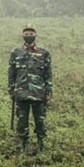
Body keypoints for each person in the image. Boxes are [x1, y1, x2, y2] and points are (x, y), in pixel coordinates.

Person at [8, 25, 53, 154]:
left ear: (35, 35)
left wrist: (48, 91)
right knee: (22, 120)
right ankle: (24, 143)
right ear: (22, 36)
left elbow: (48, 74)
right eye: (26, 34)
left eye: (31, 33)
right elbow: (11, 73)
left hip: (39, 93)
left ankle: (41, 143)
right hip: (21, 92)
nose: (29, 36)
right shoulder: (16, 53)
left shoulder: (44, 53)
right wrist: (11, 90)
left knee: (40, 120)